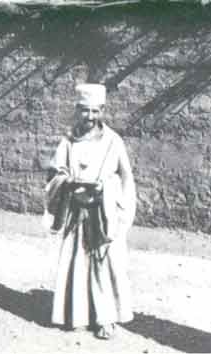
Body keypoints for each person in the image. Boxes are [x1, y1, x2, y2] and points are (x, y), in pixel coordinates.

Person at [44, 83, 136, 340]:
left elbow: (125, 178)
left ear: (103, 110)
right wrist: (68, 183)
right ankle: (77, 315)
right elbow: (54, 174)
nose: (90, 117)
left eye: (95, 111)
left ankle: (105, 318)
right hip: (76, 212)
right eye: (85, 111)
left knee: (102, 264)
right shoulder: (68, 142)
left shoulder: (113, 142)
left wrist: (107, 190)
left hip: (102, 213)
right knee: (76, 261)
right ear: (77, 110)